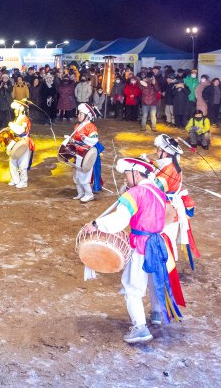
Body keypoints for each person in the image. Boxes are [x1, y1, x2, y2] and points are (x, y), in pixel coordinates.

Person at [85, 158, 184, 343]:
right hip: (157, 242)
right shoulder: (158, 192)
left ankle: (140, 328)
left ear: (136, 173)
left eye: (126, 175)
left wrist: (96, 224)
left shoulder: (135, 194)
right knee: (155, 281)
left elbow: (119, 220)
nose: (124, 179)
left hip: (141, 245)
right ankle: (156, 313)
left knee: (132, 287)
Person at [152, 134, 200, 268]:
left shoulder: (170, 169)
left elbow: (156, 187)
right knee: (164, 236)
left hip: (169, 209)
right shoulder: (168, 165)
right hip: (167, 206)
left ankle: (168, 267)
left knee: (166, 237)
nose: (156, 152)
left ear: (165, 152)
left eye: (158, 149)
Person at [67, 103, 100, 203]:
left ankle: (89, 194)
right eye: (79, 113)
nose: (78, 115)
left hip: (86, 154)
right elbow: (76, 138)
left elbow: (94, 140)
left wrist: (84, 138)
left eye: (80, 114)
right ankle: (80, 192)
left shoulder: (91, 127)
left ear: (87, 115)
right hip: (78, 152)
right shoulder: (78, 125)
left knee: (84, 175)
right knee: (77, 175)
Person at [6, 100, 35, 189]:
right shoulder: (17, 118)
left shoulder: (25, 119)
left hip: (24, 142)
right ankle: (15, 179)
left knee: (23, 163)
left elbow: (20, 130)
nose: (14, 111)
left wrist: (12, 126)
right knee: (12, 160)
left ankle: (23, 181)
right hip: (16, 141)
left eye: (16, 109)